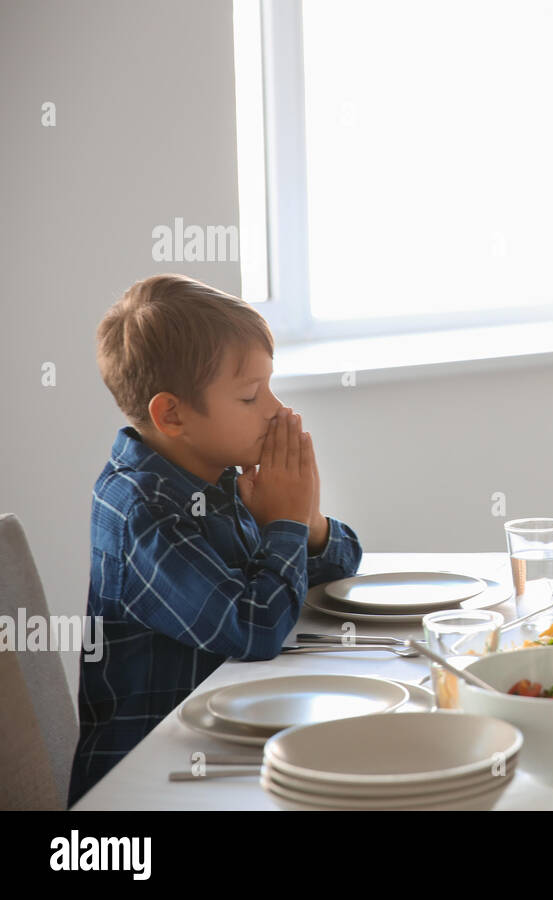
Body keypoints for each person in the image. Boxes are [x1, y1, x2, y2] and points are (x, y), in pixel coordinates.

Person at [68, 274, 362, 804]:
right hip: (151, 782)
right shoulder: (141, 512)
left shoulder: (216, 473)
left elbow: (333, 570)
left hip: (228, 746)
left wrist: (309, 523)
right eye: (251, 396)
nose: (274, 408)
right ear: (172, 414)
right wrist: (285, 524)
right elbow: (255, 627)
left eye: (269, 386)